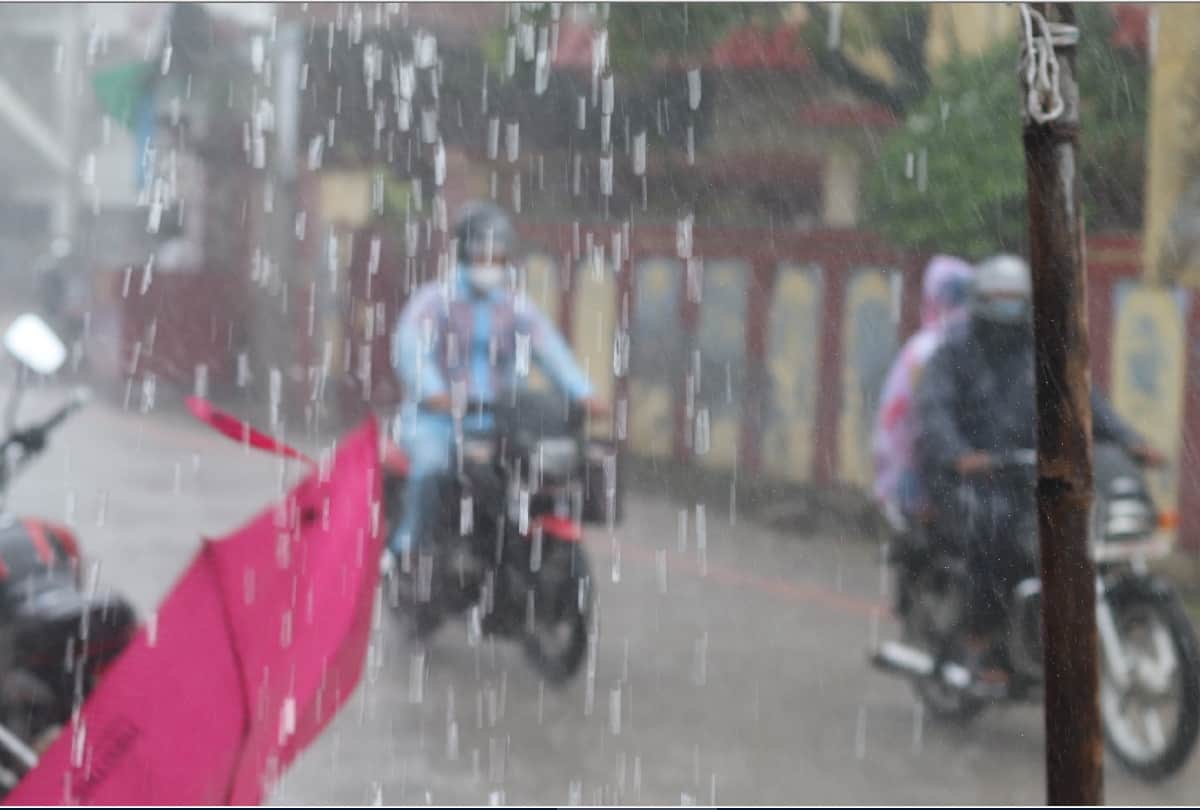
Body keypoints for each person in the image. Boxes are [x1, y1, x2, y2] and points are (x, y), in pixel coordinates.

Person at [914, 254, 1164, 680]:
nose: (1008, 308)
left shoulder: (1044, 354)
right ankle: (980, 638)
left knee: (1077, 526)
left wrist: (1128, 440)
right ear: (979, 301)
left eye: (1016, 300)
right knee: (994, 527)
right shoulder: (953, 354)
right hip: (968, 475)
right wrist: (959, 454)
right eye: (998, 299)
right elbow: (933, 411)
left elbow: (1088, 405)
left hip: (1030, 473)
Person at [383, 201, 606, 577]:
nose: (490, 262)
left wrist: (583, 392)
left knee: (537, 478)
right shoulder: (433, 303)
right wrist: (436, 394)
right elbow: (412, 352)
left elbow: (550, 350)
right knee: (432, 470)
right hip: (436, 423)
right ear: (463, 252)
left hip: (501, 425)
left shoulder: (516, 308)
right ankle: (407, 551)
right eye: (482, 253)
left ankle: (511, 555)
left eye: (498, 255)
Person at [872, 255, 975, 526]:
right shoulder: (987, 346)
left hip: (932, 473)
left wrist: (895, 480)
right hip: (958, 474)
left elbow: (896, 424)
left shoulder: (922, 348)